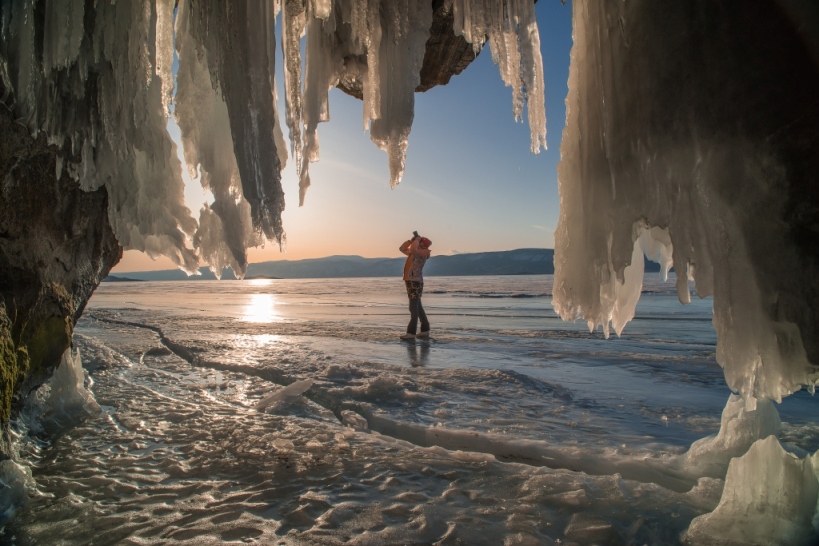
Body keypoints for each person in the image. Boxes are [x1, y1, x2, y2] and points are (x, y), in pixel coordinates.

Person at [398, 232, 432, 340]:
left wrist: (416, 240)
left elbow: (412, 249)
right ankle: (425, 329)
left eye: (419, 242)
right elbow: (402, 248)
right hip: (412, 281)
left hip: (415, 281)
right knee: (418, 307)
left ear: (422, 244)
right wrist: (410, 241)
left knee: (413, 307)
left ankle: (411, 332)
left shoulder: (422, 252)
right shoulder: (416, 252)